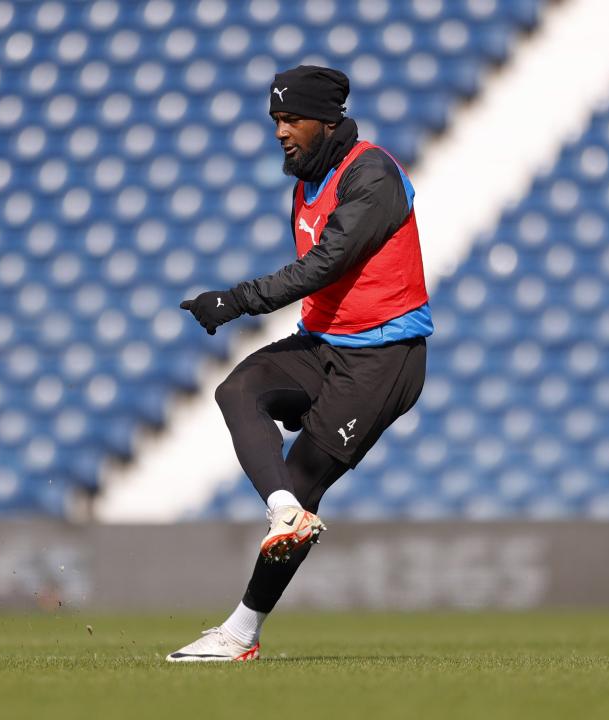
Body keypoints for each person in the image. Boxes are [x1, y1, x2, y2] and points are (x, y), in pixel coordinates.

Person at [167, 66, 433, 662]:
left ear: (328, 120)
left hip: (382, 358)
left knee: (306, 477)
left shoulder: (372, 173)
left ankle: (239, 634)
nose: (282, 132)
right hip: (325, 343)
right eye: (276, 121)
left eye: (292, 119)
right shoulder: (306, 180)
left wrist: (234, 301)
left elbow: (326, 264)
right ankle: (284, 511)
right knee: (238, 391)